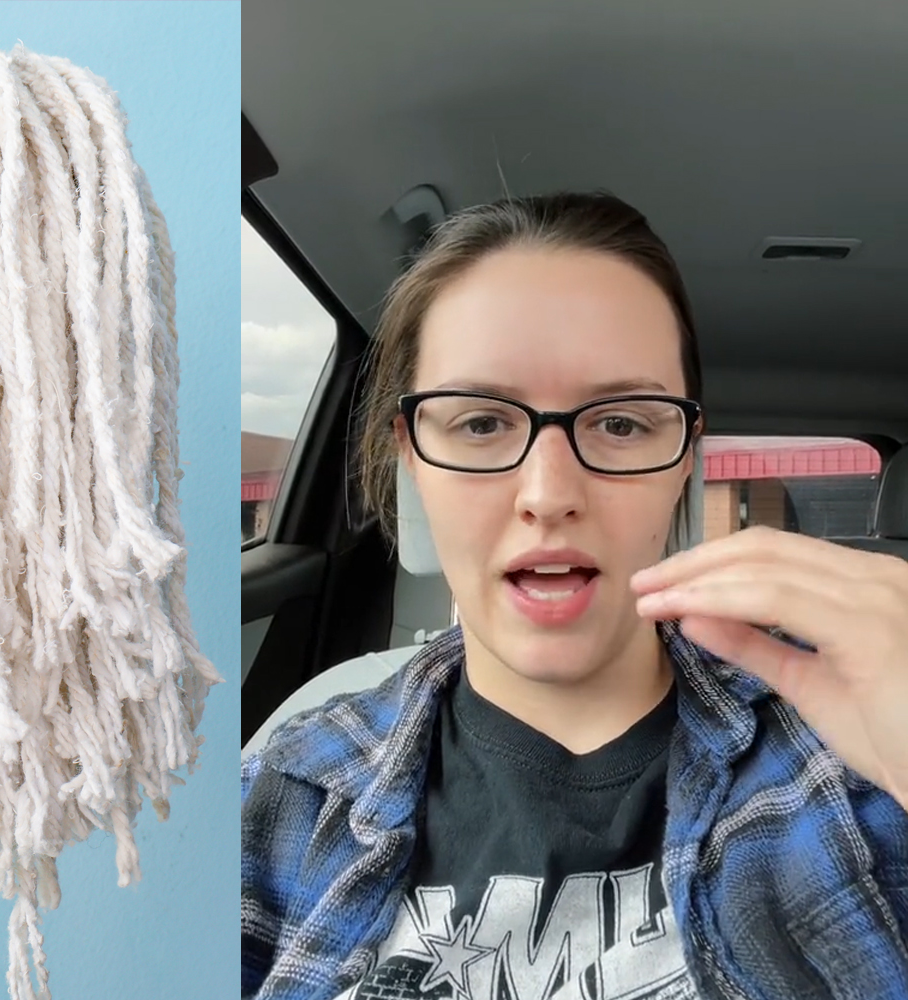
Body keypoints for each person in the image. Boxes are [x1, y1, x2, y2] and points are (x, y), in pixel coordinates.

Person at [242, 191, 908, 998]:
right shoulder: (287, 790)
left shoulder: (851, 745)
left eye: (621, 424)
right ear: (410, 455)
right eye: (481, 423)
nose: (549, 493)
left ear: (684, 459)